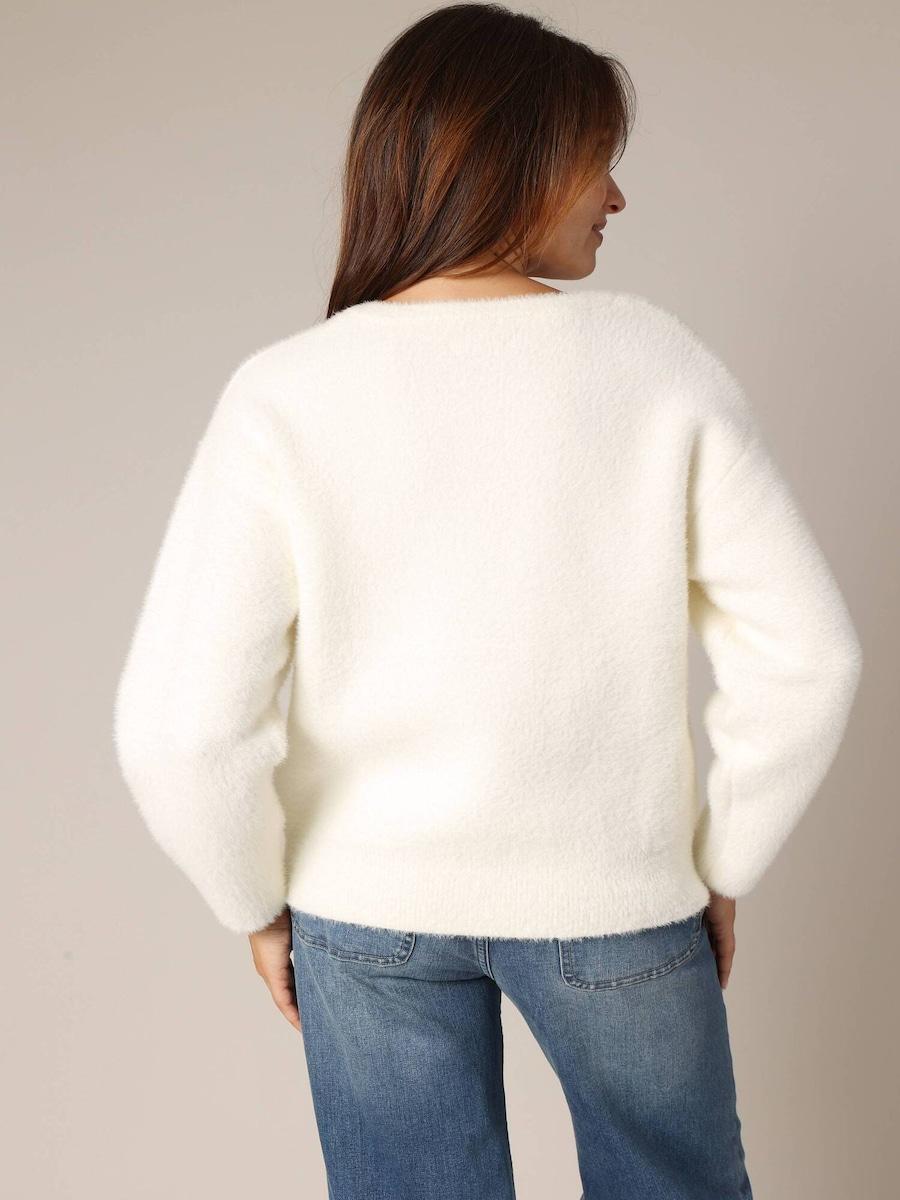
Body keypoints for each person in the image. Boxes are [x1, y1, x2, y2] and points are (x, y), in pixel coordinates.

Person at [112, 5, 862, 1198]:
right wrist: (723, 859)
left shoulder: (286, 394)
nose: (617, 197)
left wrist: (248, 899)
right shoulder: (653, 366)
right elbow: (809, 659)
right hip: (614, 900)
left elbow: (181, 726)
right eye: (598, 160)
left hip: (367, 914)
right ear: (510, 156)